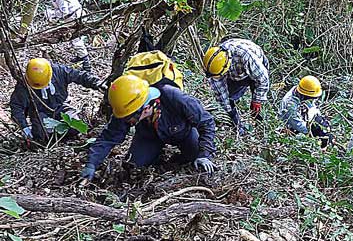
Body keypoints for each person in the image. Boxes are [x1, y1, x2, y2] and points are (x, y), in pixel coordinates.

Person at [81, 74, 216, 181]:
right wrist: (91, 164)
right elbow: (109, 136)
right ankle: (156, 154)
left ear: (145, 109)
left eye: (130, 118)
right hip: (149, 136)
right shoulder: (127, 107)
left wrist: (204, 155)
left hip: (183, 133)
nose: (128, 121)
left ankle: (180, 157)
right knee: (134, 165)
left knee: (195, 157)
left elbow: (207, 122)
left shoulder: (175, 97)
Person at [10, 58, 102, 143]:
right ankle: (49, 141)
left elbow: (79, 76)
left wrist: (96, 83)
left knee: (75, 127)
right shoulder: (23, 85)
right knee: (40, 135)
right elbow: (16, 106)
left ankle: (62, 137)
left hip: (60, 107)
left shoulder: (59, 71)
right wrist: (24, 127)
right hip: (39, 112)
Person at [203, 38, 269, 135]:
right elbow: (221, 94)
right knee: (230, 98)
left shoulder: (245, 55)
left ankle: (261, 125)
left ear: (227, 66)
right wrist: (230, 113)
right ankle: (238, 124)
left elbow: (263, 79)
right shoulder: (214, 67)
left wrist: (257, 100)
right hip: (237, 73)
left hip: (256, 66)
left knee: (257, 103)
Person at [43, 0, 90, 71]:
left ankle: (86, 64)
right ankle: (81, 57)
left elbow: (64, 12)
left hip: (74, 16)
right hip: (72, 14)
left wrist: (52, 16)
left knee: (76, 40)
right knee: (75, 39)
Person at [279, 76, 333, 149]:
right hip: (289, 127)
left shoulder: (302, 91)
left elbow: (312, 106)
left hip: (301, 116)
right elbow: (297, 124)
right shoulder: (290, 104)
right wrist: (314, 129)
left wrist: (321, 120)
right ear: (305, 95)